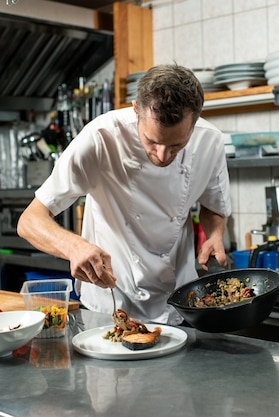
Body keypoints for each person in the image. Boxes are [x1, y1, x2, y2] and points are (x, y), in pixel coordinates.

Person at [17, 64, 231, 325]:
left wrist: (216, 234)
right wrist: (74, 246)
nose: (162, 156)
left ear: (194, 123)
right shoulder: (101, 138)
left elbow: (213, 204)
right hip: (109, 300)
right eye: (152, 141)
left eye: (176, 145)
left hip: (178, 299)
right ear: (136, 110)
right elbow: (29, 220)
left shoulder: (211, 141)